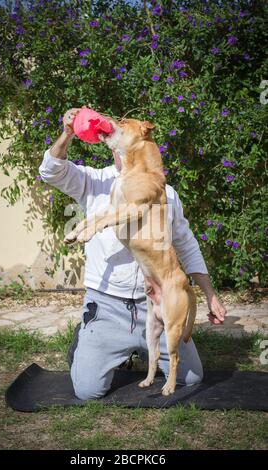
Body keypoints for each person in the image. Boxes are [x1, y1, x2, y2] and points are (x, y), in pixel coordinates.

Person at [39, 108, 227, 400]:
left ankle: (141, 351)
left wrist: (210, 295)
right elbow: (49, 170)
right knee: (88, 390)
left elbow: (187, 244)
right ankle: (89, 338)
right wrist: (67, 133)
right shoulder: (94, 181)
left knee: (192, 378)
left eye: (121, 129)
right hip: (108, 303)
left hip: (151, 301)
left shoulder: (165, 192)